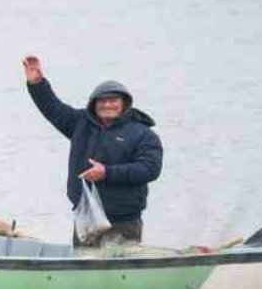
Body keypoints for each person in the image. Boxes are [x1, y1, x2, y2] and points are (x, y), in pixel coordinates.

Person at [22, 56, 163, 247]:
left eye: (113, 100)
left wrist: (107, 172)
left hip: (123, 221)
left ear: (124, 103)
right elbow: (53, 109)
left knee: (120, 271)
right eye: (101, 101)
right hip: (86, 218)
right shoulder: (80, 124)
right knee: (83, 268)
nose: (107, 105)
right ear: (94, 105)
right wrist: (37, 83)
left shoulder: (143, 134)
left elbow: (150, 169)